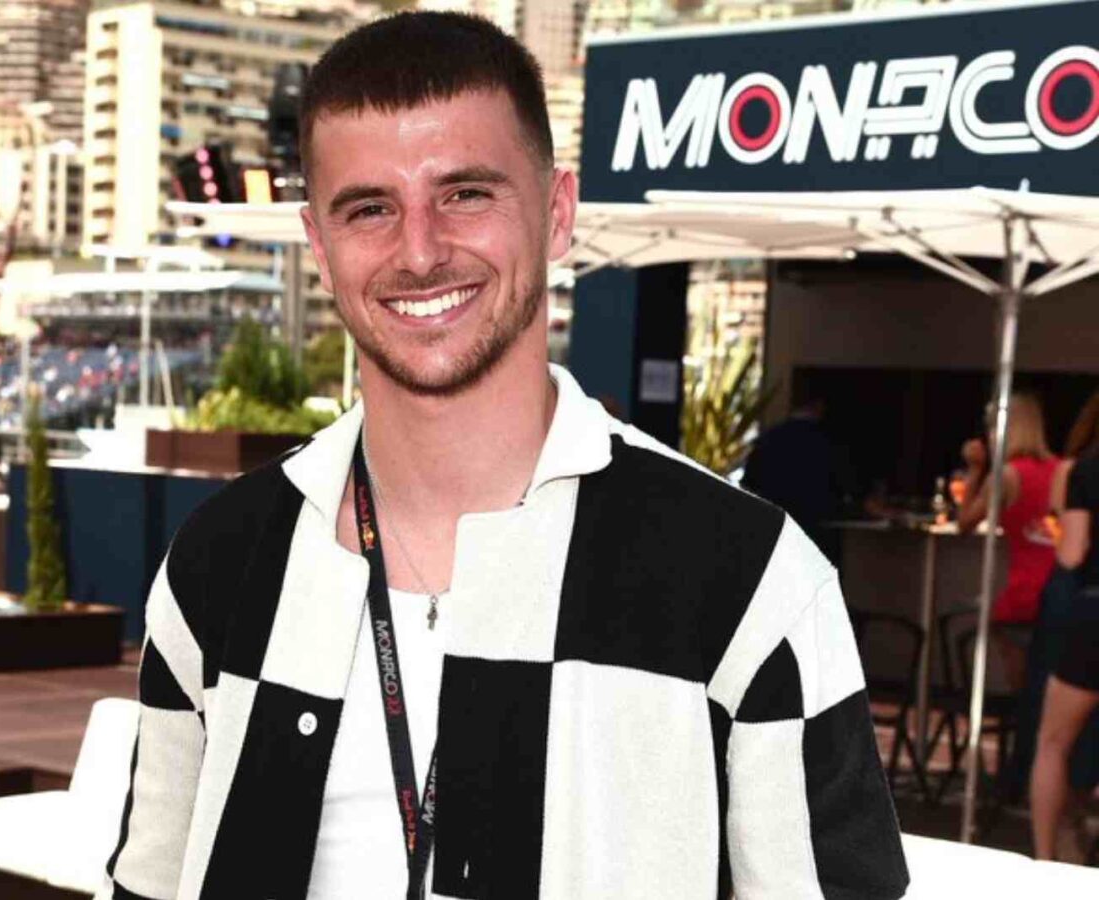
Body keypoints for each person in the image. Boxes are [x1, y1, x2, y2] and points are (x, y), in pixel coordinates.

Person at [98, 13, 907, 900]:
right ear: (319, 250)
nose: (419, 250)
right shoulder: (220, 563)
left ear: (557, 214)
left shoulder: (750, 581)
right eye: (370, 208)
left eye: (466, 194)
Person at [1030, 396, 1099, 861]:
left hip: (1094, 614)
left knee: (1054, 742)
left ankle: (1046, 859)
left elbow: (1072, 554)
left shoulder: (1087, 469)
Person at [958, 393, 1061, 689]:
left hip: (1024, 598)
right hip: (1062, 594)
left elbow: (965, 522)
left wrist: (975, 469)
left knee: (1025, 694)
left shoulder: (1006, 475)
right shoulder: (1063, 469)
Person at [742, 386, 839, 558]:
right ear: (819, 406)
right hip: (815, 535)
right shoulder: (827, 443)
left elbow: (748, 485)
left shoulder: (768, 439)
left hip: (774, 533)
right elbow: (838, 489)